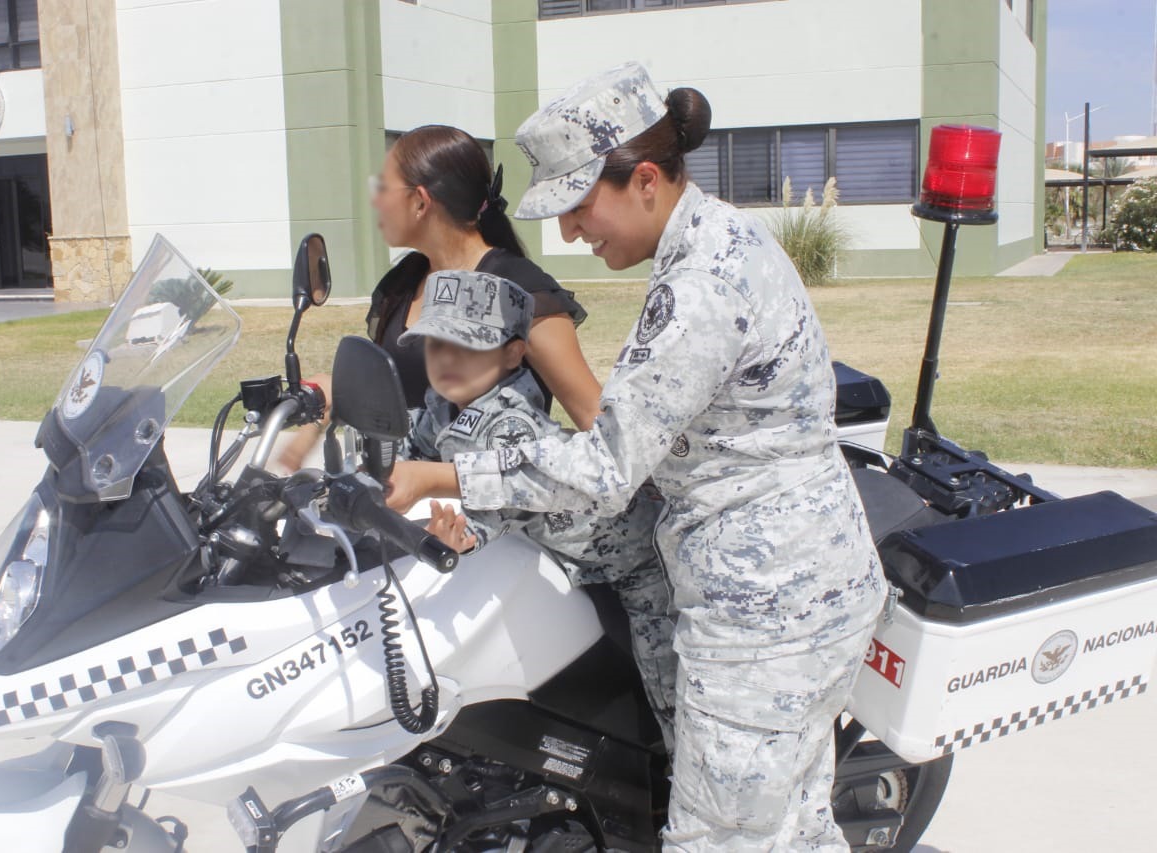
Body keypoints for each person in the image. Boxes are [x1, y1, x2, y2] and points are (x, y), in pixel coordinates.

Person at [386, 63, 886, 851]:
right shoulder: (718, 239)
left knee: (720, 839)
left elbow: (607, 468)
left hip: (765, 613)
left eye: (580, 206)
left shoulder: (702, 289)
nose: (571, 233)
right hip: (793, 593)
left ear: (644, 179)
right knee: (791, 829)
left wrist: (446, 476)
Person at [397, 268, 677, 751]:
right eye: (435, 345)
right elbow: (417, 438)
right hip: (561, 553)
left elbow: (499, 507)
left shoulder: (509, 423)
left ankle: (680, 775)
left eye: (466, 347)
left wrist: (459, 538)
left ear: (512, 352)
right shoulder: (445, 402)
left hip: (633, 564)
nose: (446, 361)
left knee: (667, 684)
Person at [278, 125, 600, 472]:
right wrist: (321, 411)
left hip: (493, 510)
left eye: (383, 187)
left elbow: (594, 422)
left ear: (419, 201)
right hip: (404, 509)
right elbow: (391, 394)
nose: (375, 200)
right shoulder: (399, 285)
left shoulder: (520, 291)